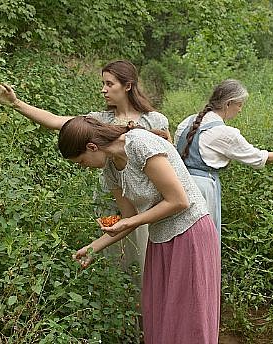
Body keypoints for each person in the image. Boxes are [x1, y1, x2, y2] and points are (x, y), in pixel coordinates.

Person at [0, 60, 171, 284]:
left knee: (143, 263)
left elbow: (170, 162)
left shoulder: (154, 120)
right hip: (112, 198)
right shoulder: (100, 120)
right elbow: (56, 121)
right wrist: (16, 103)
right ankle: (119, 307)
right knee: (114, 262)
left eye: (109, 83)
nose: (103, 89)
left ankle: (144, 313)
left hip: (145, 202)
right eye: (102, 83)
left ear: (127, 86)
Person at [58, 116, 220, 344]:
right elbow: (128, 217)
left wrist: (131, 223)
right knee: (162, 314)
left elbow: (178, 201)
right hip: (161, 238)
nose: (83, 167)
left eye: (81, 161)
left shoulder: (140, 144)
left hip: (190, 231)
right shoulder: (111, 169)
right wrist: (93, 248)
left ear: (92, 147)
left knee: (188, 316)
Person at [174, 79, 273, 239]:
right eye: (239, 104)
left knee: (181, 235)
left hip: (178, 184)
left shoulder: (188, 121)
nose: (240, 110)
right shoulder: (224, 133)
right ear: (228, 104)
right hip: (202, 189)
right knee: (202, 238)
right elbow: (256, 158)